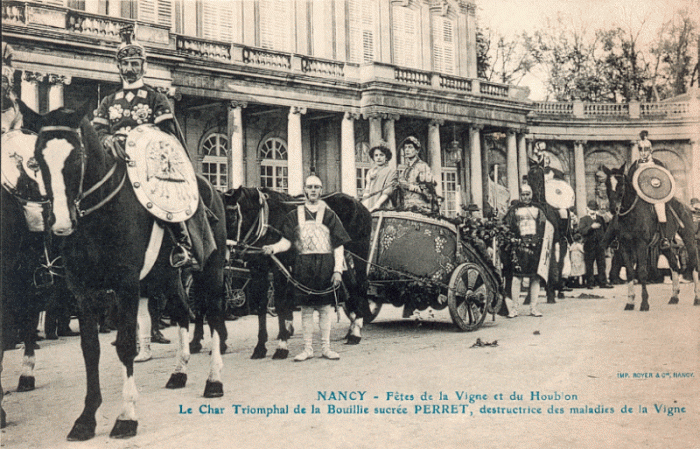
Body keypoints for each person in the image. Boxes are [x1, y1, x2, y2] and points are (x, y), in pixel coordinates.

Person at [93, 26, 213, 361]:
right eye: (125, 62)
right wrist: (108, 140)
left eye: (135, 62)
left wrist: (141, 140)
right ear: (118, 67)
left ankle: (182, 244)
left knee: (163, 204)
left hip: (149, 169)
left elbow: (166, 133)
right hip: (116, 166)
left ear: (143, 66)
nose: (130, 67)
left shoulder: (155, 97)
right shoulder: (108, 101)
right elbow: (98, 130)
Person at [262, 175, 351, 361]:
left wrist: (337, 270)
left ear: (321, 190)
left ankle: (326, 348)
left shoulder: (329, 215)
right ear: (304, 189)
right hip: (303, 266)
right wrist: (273, 248)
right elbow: (286, 242)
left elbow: (338, 245)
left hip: (325, 265)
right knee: (306, 310)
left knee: (325, 309)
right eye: (309, 187)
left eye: (317, 187)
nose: (313, 190)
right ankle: (308, 348)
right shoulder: (294, 215)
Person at [502, 184, 555, 317]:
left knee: (535, 278)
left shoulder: (538, 209)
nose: (525, 197)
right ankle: (514, 308)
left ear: (531, 195)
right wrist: (511, 238)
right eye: (523, 194)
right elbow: (506, 226)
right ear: (520, 195)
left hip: (535, 248)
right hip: (519, 248)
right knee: (516, 279)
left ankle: (533, 308)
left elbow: (545, 227)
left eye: (528, 194)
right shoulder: (513, 210)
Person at [627, 130, 671, 250]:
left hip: (655, 196)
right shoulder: (634, 165)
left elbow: (665, 179)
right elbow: (629, 182)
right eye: (641, 149)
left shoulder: (657, 163)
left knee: (660, 208)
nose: (643, 152)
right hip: (638, 196)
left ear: (650, 150)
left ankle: (664, 238)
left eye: (646, 149)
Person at [397, 136, 438, 214]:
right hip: (406, 207)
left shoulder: (423, 166)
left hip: (420, 207)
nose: (407, 150)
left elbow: (428, 191)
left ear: (417, 150)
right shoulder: (406, 169)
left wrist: (413, 187)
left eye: (410, 147)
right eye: (405, 148)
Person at [579, 200, 612, 289]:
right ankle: (590, 283)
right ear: (588, 209)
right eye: (591, 209)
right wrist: (591, 227)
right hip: (589, 245)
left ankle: (603, 282)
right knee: (589, 264)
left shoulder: (600, 218)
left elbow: (606, 230)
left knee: (601, 264)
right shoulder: (584, 219)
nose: (593, 211)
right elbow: (582, 231)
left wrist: (605, 242)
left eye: (594, 209)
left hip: (600, 245)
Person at [362, 144, 396, 212]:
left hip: (383, 205)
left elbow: (388, 191)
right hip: (370, 204)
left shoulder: (391, 171)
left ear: (386, 157)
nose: (378, 158)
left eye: (381, 155)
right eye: (376, 155)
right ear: (373, 158)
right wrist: (364, 206)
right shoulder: (370, 172)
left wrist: (376, 205)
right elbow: (367, 190)